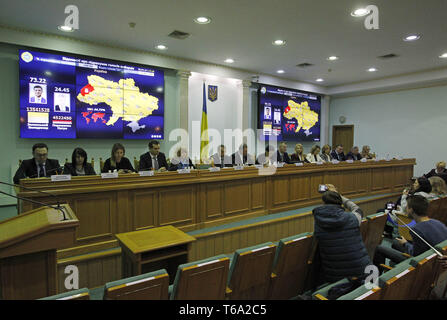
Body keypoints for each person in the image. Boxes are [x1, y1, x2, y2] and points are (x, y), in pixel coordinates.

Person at [312, 184, 371, 283]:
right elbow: (357, 209)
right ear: (340, 203)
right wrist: (337, 195)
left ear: (323, 203)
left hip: (336, 278)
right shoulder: (353, 218)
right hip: (364, 271)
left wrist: (332, 195)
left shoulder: (318, 223)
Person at [374, 195, 447, 266]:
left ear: (411, 210)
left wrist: (405, 243)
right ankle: (395, 266)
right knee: (396, 243)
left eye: (407, 207)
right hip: (433, 258)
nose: (406, 209)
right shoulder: (438, 222)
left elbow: (416, 254)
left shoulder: (416, 229)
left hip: (421, 264)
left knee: (379, 248)